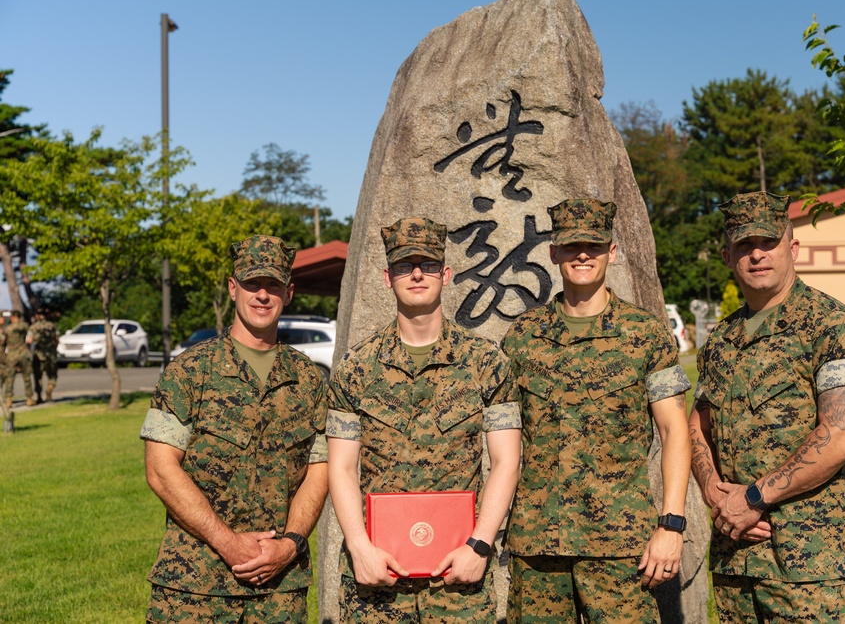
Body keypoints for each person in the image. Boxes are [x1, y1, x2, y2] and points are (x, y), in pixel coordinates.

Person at [688, 191, 845, 623]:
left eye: (768, 242)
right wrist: (715, 493)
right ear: (727, 256)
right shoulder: (722, 339)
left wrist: (754, 497)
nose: (756, 254)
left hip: (808, 563)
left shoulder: (835, 328)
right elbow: (698, 422)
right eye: (743, 245)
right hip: (735, 557)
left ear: (792, 248)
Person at [502, 198, 692, 623]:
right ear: (553, 253)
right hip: (538, 544)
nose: (582, 255)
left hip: (620, 543)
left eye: (594, 245)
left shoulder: (644, 335)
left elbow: (674, 431)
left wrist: (672, 524)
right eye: (571, 247)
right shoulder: (523, 337)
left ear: (612, 251)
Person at [328, 216, 521, 623]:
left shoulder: (486, 362)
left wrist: (480, 546)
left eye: (428, 265)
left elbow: (506, 462)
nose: (417, 274)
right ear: (387, 278)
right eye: (403, 266)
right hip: (376, 579)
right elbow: (342, 467)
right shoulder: (356, 367)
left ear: (446, 274)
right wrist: (359, 548)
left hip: (458, 579)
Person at [141, 235, 330, 623]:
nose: (262, 295)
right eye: (252, 284)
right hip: (194, 585)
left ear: (289, 293)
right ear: (232, 288)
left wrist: (291, 544)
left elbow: (320, 469)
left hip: (279, 588)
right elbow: (160, 470)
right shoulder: (190, 371)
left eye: (273, 285)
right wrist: (227, 543)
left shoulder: (309, 379)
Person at [2, 310, 34, 407]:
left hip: (11, 355)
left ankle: (8, 399)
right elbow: (29, 340)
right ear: (19, 317)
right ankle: (29, 399)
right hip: (23, 353)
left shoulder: (7, 329)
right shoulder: (25, 326)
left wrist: (3, 355)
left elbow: (2, 342)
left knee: (10, 378)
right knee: (27, 377)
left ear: (12, 317)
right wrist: (27, 350)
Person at [29, 308, 60, 403]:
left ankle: (39, 396)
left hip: (39, 356)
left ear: (38, 316)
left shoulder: (33, 327)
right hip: (51, 355)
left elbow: (29, 340)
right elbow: (57, 339)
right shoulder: (52, 326)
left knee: (38, 377)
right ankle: (49, 389)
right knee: (52, 375)